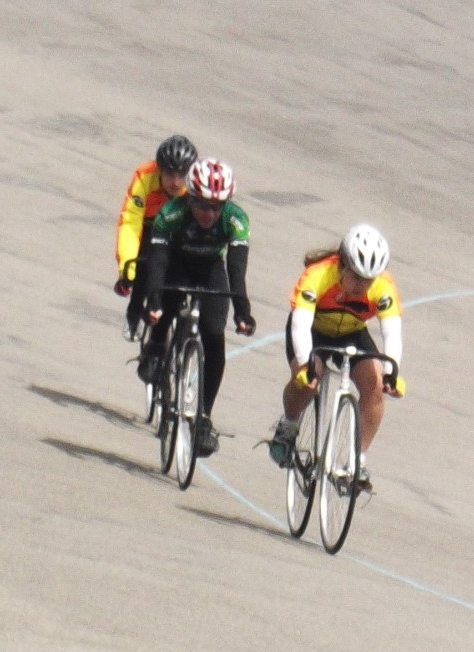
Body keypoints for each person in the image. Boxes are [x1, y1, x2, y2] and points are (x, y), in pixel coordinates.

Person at [267, 223, 406, 490]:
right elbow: (300, 325)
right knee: (310, 378)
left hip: (352, 333)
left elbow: (392, 333)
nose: (362, 286)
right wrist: (305, 365)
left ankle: (357, 462)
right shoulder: (317, 275)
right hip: (313, 331)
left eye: (368, 280)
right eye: (356, 277)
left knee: (375, 387)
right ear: (342, 266)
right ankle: (288, 425)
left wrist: (392, 371)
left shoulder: (384, 286)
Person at [139, 157, 257, 457]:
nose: (208, 213)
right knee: (165, 302)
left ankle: (203, 419)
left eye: (216, 206)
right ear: (190, 197)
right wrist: (154, 302)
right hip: (176, 263)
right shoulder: (171, 213)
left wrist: (243, 312)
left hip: (210, 269)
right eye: (202, 205)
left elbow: (236, 271)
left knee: (214, 336)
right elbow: (158, 262)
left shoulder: (236, 220)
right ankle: (155, 346)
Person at [113, 134, 198, 341]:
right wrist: (128, 270)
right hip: (149, 226)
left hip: (179, 229)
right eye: (169, 173)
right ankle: (134, 311)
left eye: (182, 174)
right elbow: (130, 223)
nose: (176, 182)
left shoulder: (197, 184)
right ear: (158, 168)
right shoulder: (144, 177)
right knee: (145, 262)